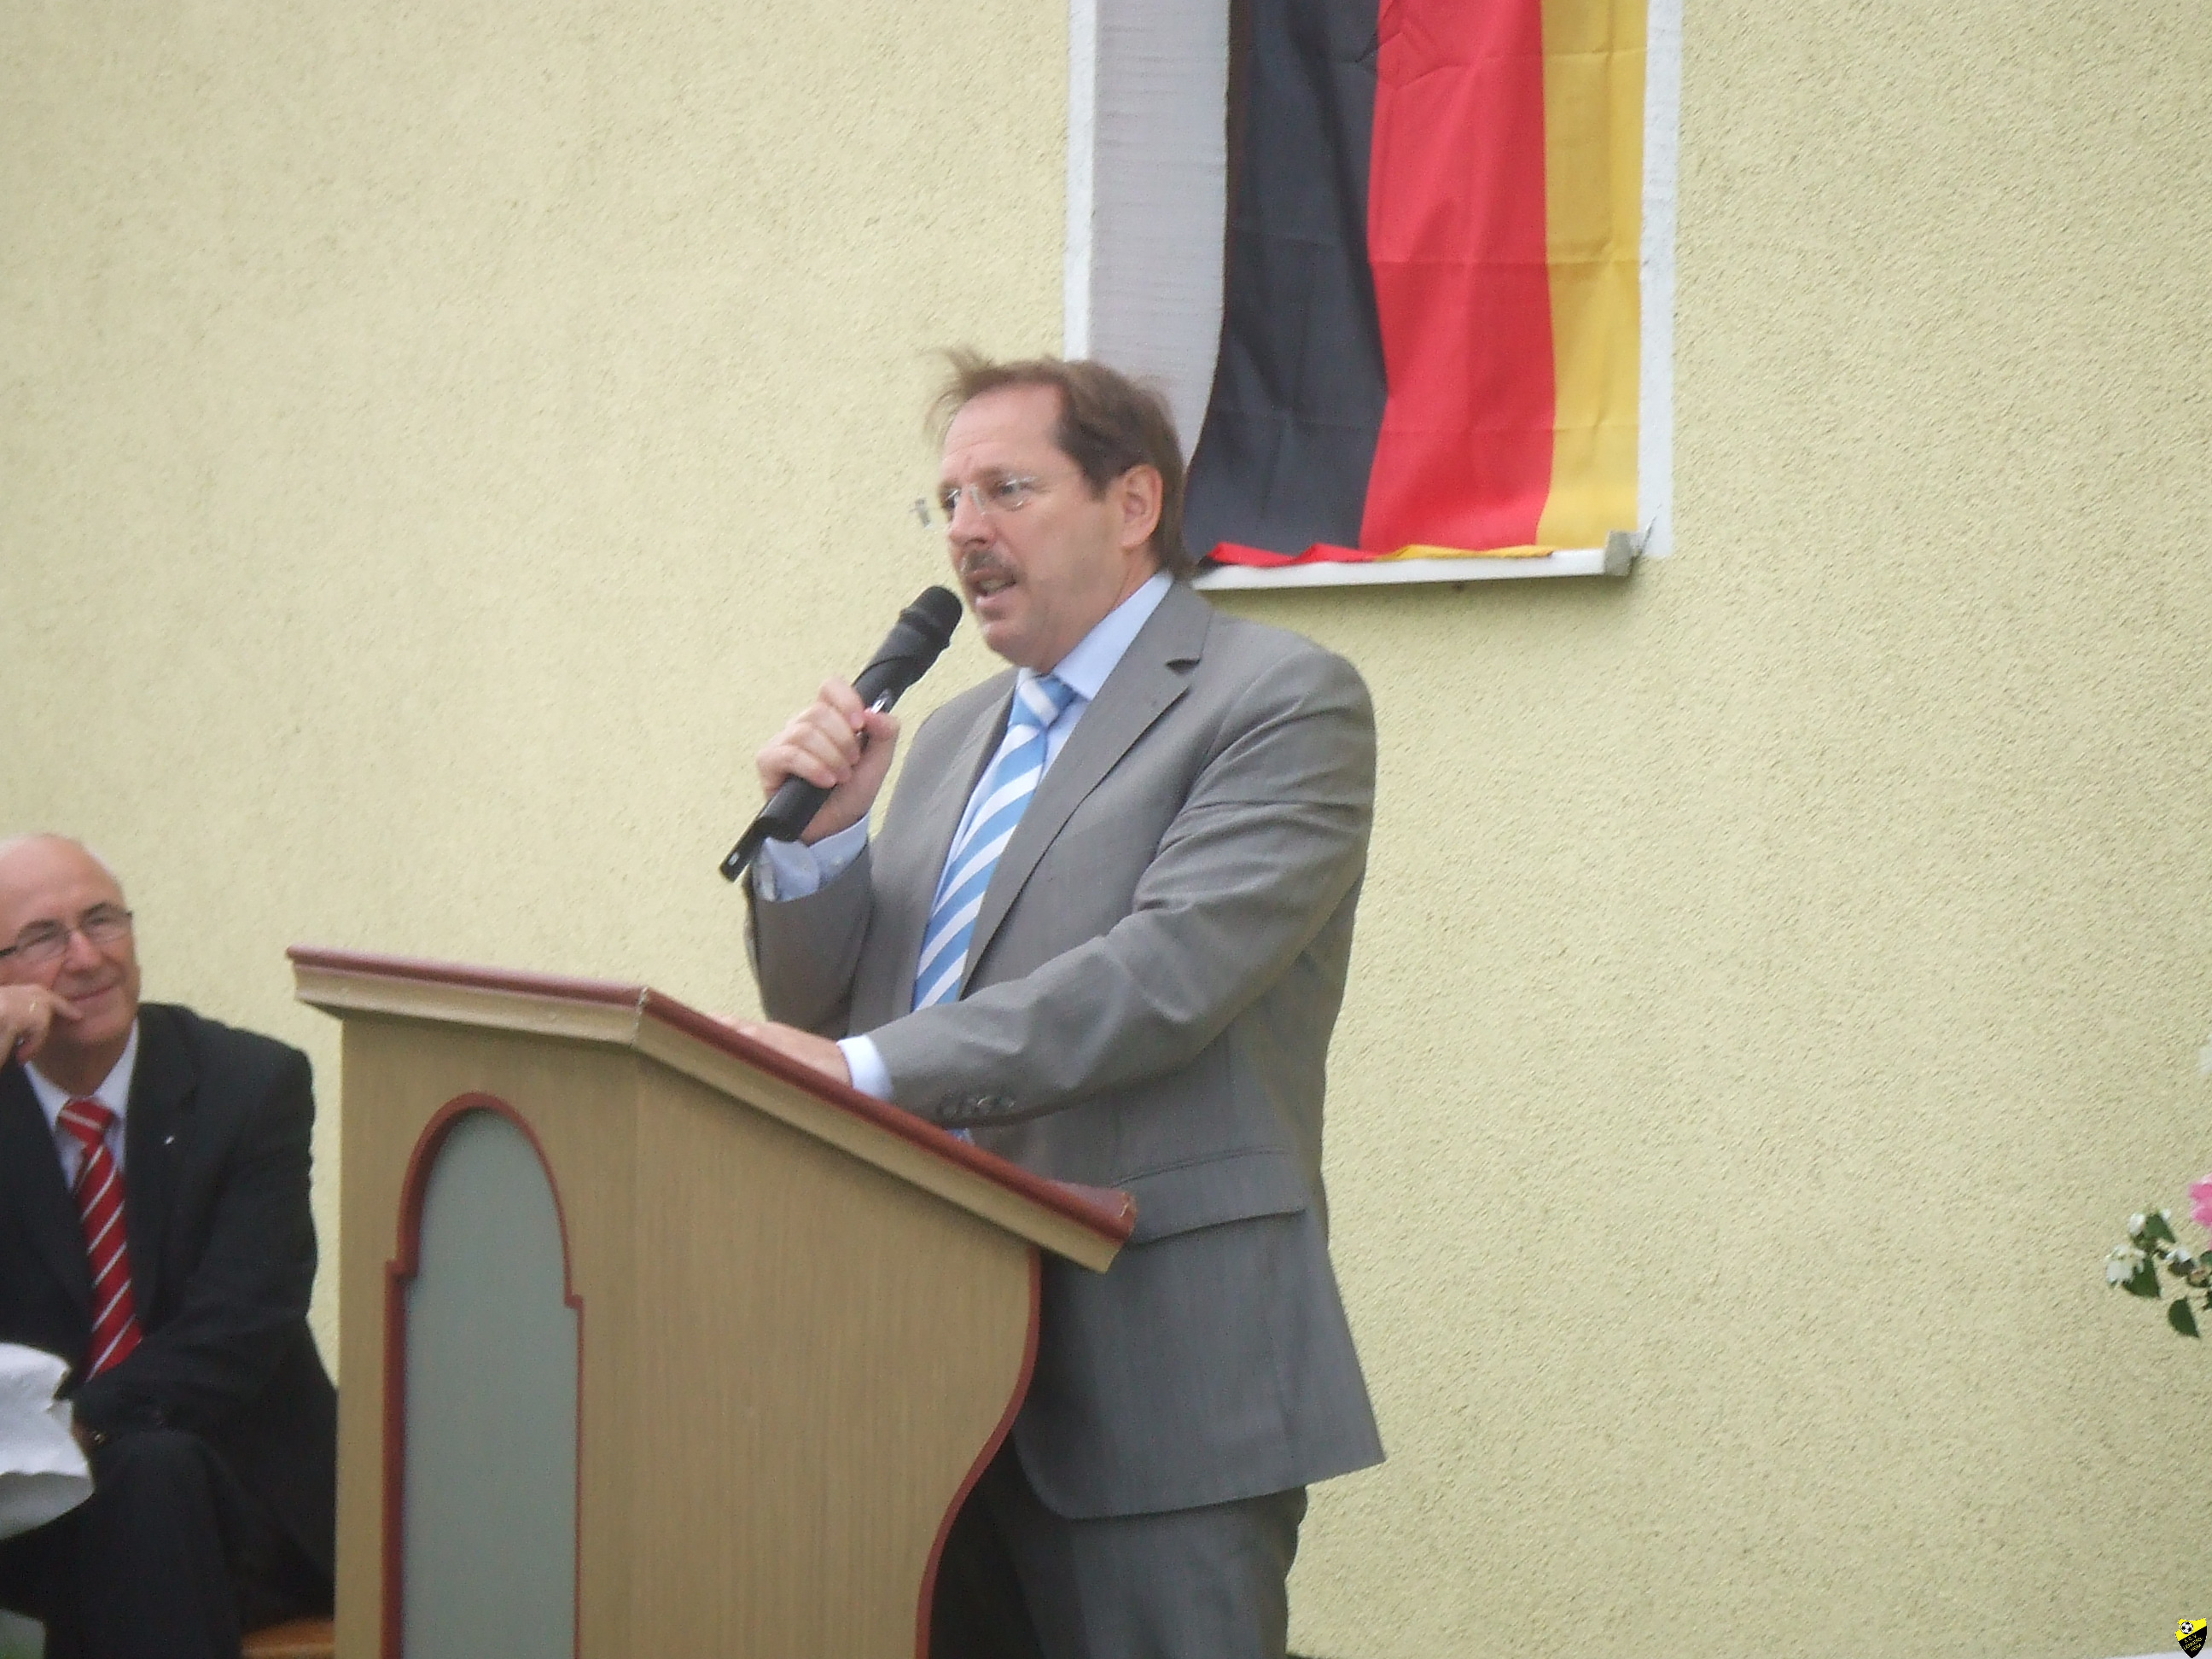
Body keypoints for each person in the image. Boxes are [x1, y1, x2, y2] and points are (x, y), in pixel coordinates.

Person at [738, 354, 1383, 1659]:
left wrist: (862, 1067)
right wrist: (818, 849)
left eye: (1008, 490)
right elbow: (835, 1016)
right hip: (920, 1378)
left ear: (1133, 503)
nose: (967, 530)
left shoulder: (1276, 701)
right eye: (949, 501)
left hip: (1159, 1376)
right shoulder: (947, 739)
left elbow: (1161, 981)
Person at [0, 835, 335, 1659]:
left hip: (240, 1504)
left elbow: (242, 1325)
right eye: (44, 937)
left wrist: (74, 1428)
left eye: (102, 920)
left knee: (151, 1477)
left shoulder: (248, 1085)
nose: (87, 957)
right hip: (29, 1515)